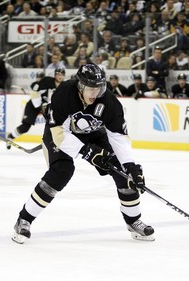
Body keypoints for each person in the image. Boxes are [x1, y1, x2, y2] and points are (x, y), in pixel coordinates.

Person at [12, 63, 155, 244]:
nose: (95, 93)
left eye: (99, 87)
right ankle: (24, 219)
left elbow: (119, 137)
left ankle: (133, 221)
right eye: (91, 87)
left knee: (124, 173)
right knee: (62, 171)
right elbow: (58, 132)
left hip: (92, 133)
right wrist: (86, 151)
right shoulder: (64, 93)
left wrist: (131, 166)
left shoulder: (110, 102)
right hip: (60, 135)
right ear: (80, 85)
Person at [6, 68, 66, 149]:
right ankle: (10, 136)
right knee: (26, 126)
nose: (60, 77)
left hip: (48, 108)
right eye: (58, 74)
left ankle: (53, 142)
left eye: (62, 75)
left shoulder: (64, 86)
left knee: (54, 124)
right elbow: (34, 90)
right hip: (34, 105)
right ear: (55, 75)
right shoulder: (47, 81)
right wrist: (38, 105)